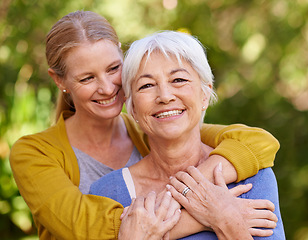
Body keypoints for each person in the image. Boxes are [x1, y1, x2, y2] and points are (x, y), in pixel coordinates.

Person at [9, 11, 280, 240]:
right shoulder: (34, 153)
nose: (107, 88)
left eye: (114, 68)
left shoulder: (155, 127)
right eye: (87, 78)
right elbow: (86, 226)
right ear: (59, 81)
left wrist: (196, 189)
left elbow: (257, 143)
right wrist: (213, 214)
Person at [90, 31, 285, 239]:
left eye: (178, 79)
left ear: (204, 95)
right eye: (147, 85)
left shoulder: (253, 178)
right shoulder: (107, 192)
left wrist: (225, 219)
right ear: (133, 108)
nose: (164, 96)